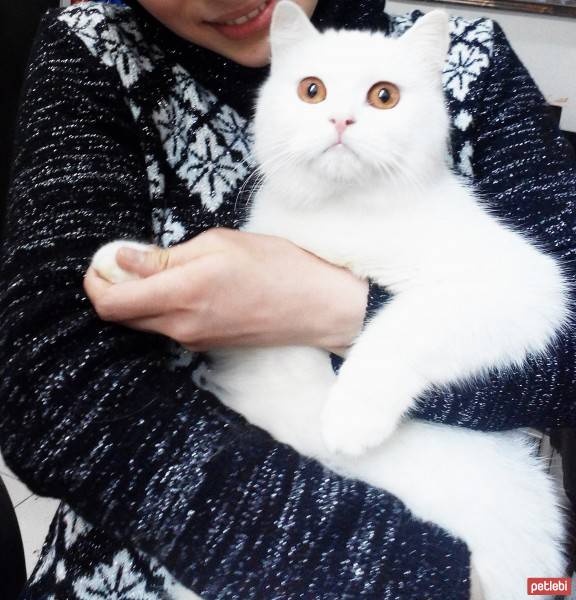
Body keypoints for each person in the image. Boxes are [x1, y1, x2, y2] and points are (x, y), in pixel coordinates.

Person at [1, 0, 575, 598]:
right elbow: (46, 392)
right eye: (310, 90)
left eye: (381, 97)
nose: (342, 120)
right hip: (156, 557)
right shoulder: (93, 48)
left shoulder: (466, 60)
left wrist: (338, 312)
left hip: (457, 531)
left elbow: (555, 330)